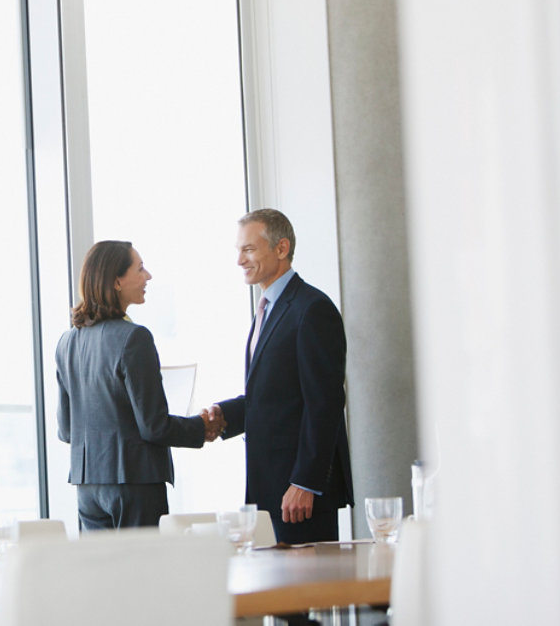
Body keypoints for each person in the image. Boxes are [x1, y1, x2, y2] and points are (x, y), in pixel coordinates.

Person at [205, 209, 354, 545]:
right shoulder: (267, 309)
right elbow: (275, 396)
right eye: (238, 251)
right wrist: (224, 415)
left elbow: (325, 404)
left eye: (249, 250)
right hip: (269, 490)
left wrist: (305, 482)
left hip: (300, 496)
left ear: (281, 248)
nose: (240, 260)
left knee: (307, 594)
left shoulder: (312, 309)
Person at [56, 240, 221, 531]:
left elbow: (66, 430)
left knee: (102, 575)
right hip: (135, 483)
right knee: (141, 574)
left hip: (87, 487)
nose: (148, 276)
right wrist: (200, 427)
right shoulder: (134, 338)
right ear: (117, 281)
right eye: (140, 268)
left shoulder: (67, 342)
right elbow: (153, 427)